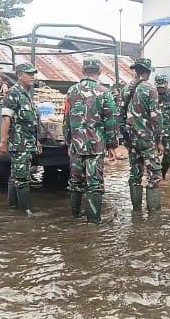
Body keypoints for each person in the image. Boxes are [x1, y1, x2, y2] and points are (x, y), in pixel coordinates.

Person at [63, 58, 118, 224]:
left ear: (83, 70)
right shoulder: (104, 92)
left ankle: (75, 218)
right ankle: (94, 222)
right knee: (94, 184)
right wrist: (112, 145)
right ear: (99, 71)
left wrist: (68, 141)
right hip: (96, 145)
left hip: (76, 145)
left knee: (75, 182)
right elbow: (111, 121)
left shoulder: (71, 91)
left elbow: (66, 118)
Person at [0, 63, 40, 214]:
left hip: (27, 143)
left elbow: (32, 122)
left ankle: (13, 208)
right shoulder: (13, 93)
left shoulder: (27, 94)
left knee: (16, 175)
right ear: (20, 75)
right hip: (19, 143)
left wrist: (36, 141)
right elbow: (5, 118)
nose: (32, 77)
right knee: (22, 178)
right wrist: (3, 142)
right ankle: (26, 211)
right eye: (29, 74)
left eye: (33, 74)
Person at [120, 58, 164, 212]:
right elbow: (156, 118)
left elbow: (121, 114)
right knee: (154, 176)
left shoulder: (126, 89)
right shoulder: (150, 89)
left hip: (131, 140)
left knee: (135, 175)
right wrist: (159, 141)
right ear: (149, 72)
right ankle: (154, 218)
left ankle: (136, 212)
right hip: (147, 140)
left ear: (136, 70)